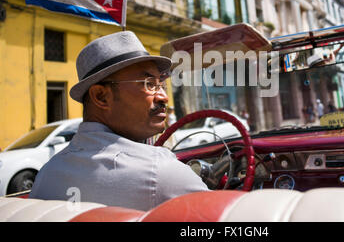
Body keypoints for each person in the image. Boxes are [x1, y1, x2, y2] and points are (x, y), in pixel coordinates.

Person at [29, 31, 209, 211]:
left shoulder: (47, 175)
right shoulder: (159, 171)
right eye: (148, 84)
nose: (163, 97)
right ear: (101, 96)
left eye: (161, 85)